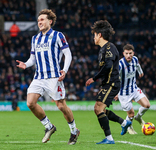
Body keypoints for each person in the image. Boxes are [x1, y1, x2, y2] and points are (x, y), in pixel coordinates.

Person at [16, 9, 80, 145]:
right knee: (30, 103)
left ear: (50, 21)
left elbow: (68, 54)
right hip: (39, 77)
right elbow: (32, 59)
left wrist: (64, 70)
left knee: (61, 106)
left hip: (54, 77)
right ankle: (49, 126)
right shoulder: (35, 38)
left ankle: (74, 130)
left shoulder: (58, 35)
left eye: (42, 20)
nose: (40, 22)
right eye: (38, 20)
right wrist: (25, 64)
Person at [85, 20, 131, 144]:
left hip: (112, 83)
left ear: (99, 35)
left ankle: (109, 139)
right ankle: (124, 122)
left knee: (98, 108)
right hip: (108, 83)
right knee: (102, 110)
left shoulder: (109, 47)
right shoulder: (103, 49)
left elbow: (108, 66)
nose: (93, 37)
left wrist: (94, 78)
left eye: (94, 34)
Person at [114, 44, 150, 134]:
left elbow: (137, 65)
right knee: (131, 114)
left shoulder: (135, 59)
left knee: (147, 105)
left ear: (133, 53)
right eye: (126, 53)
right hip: (124, 94)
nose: (129, 55)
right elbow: (114, 78)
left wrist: (140, 72)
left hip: (134, 89)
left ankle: (138, 117)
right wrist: (115, 92)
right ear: (123, 53)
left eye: (130, 53)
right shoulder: (120, 64)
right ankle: (129, 127)